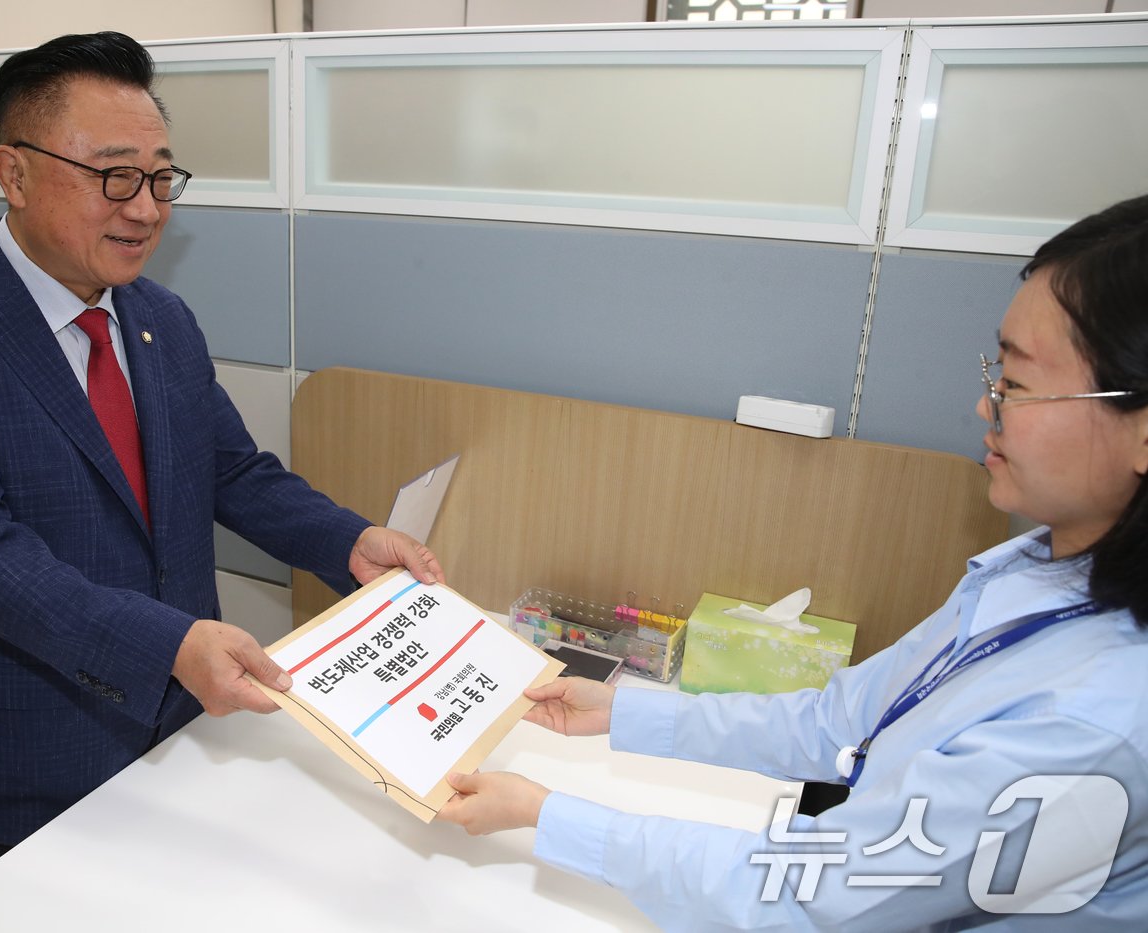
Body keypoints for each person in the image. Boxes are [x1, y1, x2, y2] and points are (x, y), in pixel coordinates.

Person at [437, 193, 1148, 930]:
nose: (986, 406)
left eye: (1021, 384)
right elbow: (839, 721)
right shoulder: (1042, 567)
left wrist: (547, 814)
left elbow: (811, 896)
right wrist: (627, 711)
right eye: (994, 373)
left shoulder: (1094, 721)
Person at [0, 31, 441, 893]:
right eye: (114, 175)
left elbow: (231, 470)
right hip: (29, 750)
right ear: (13, 173)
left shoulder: (160, 317)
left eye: (161, 176)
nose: (146, 207)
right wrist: (166, 642)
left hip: (181, 730)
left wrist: (348, 540)